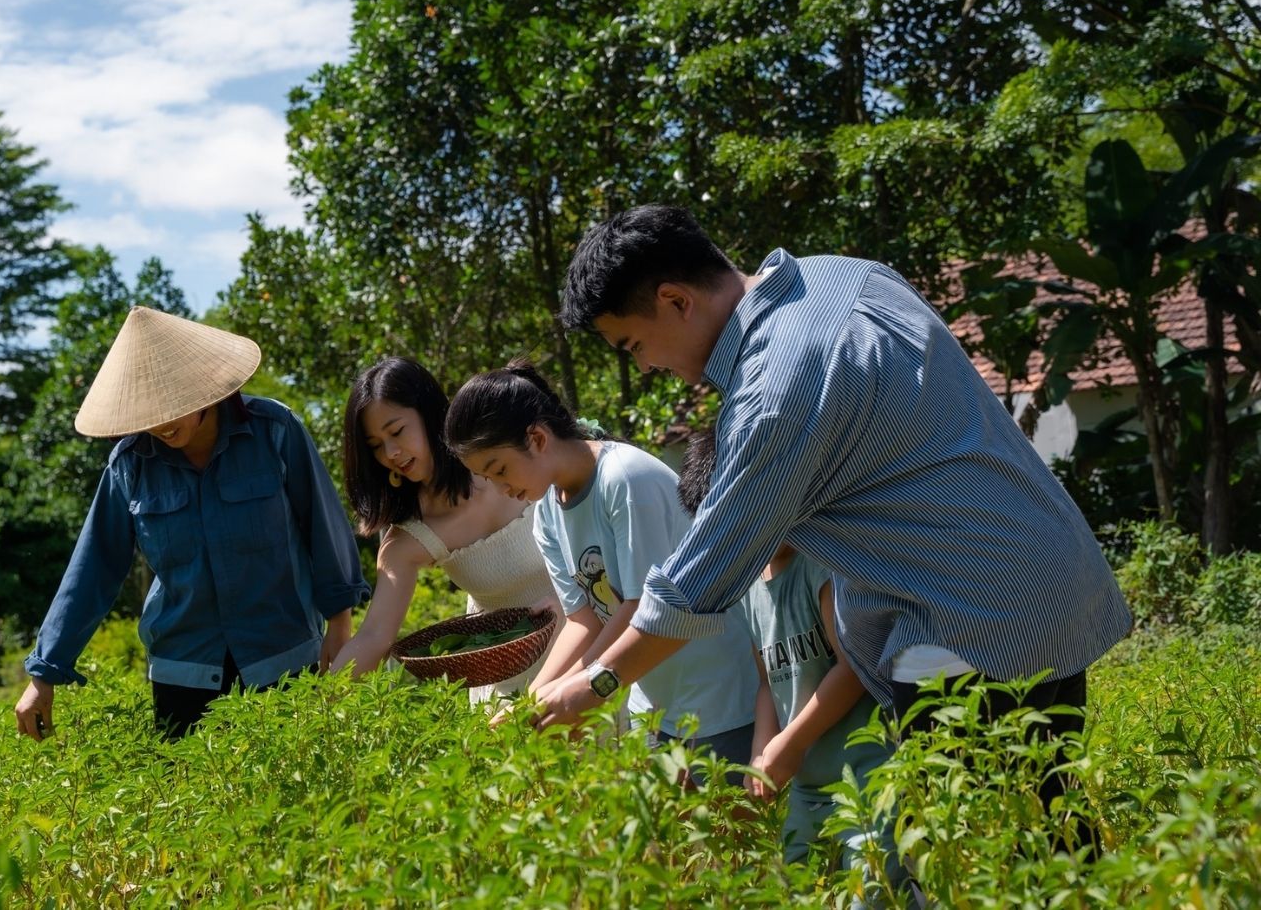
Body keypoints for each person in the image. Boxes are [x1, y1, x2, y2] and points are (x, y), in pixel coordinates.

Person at [531, 204, 1132, 823]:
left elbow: (698, 583)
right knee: (1054, 836)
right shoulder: (843, 275)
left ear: (676, 300)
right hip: (1047, 583)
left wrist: (598, 682)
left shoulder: (774, 392)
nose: (645, 364)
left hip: (963, 627)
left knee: (983, 853)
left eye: (634, 344)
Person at [15, 307, 370, 740]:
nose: (162, 423)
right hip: (183, 673)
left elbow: (324, 528)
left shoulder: (274, 432)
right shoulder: (130, 465)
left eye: (173, 404)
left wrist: (340, 625)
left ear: (202, 389)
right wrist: (43, 675)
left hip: (285, 659)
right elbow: (93, 568)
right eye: (149, 411)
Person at [444, 361, 759, 765]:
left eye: (500, 469)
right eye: (489, 478)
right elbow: (582, 620)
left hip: (719, 697)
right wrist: (531, 703)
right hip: (656, 707)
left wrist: (584, 686)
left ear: (537, 438)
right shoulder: (548, 512)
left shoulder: (624, 479)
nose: (503, 489)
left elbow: (640, 608)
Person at [679, 431, 897, 872]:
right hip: (808, 786)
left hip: (869, 776)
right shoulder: (749, 586)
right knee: (797, 885)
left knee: (874, 894)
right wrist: (762, 755)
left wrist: (790, 744)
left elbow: (855, 667)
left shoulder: (820, 562)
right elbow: (766, 682)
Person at [329, 358, 558, 698]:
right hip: (512, 686)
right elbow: (374, 636)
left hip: (593, 639)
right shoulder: (409, 539)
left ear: (429, 414)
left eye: (396, 432)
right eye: (376, 445)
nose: (391, 452)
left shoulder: (507, 458)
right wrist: (315, 706)